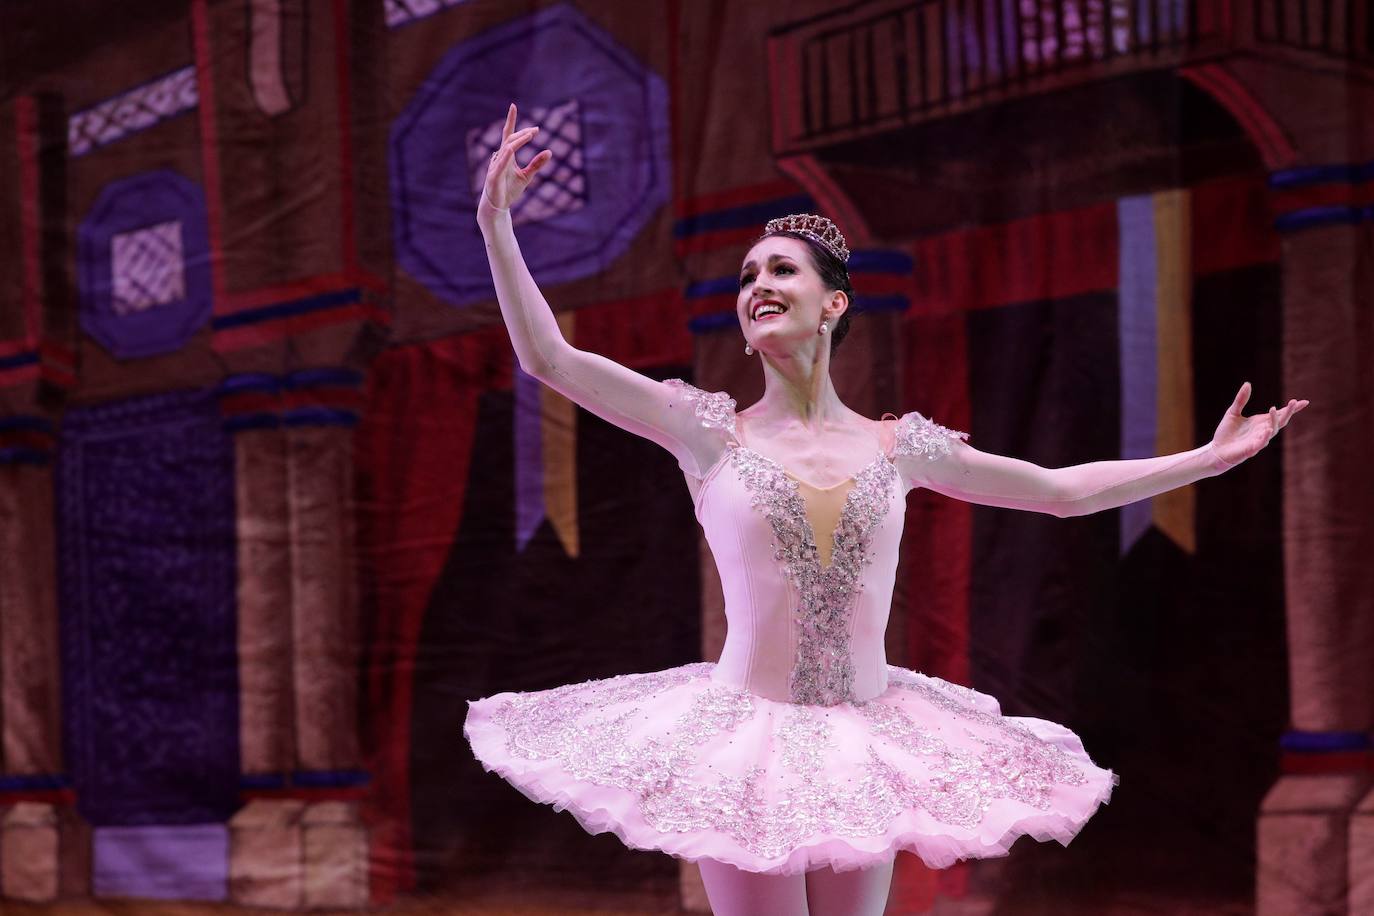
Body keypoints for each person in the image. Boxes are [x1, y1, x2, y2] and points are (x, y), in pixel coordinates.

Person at [462, 103, 1308, 916]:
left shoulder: (901, 446)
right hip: (744, 743)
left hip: (859, 741)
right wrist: (499, 226)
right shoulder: (707, 432)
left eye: (780, 269)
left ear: (833, 303)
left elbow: (1057, 492)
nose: (757, 284)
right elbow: (550, 358)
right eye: (748, 274)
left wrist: (1203, 458)